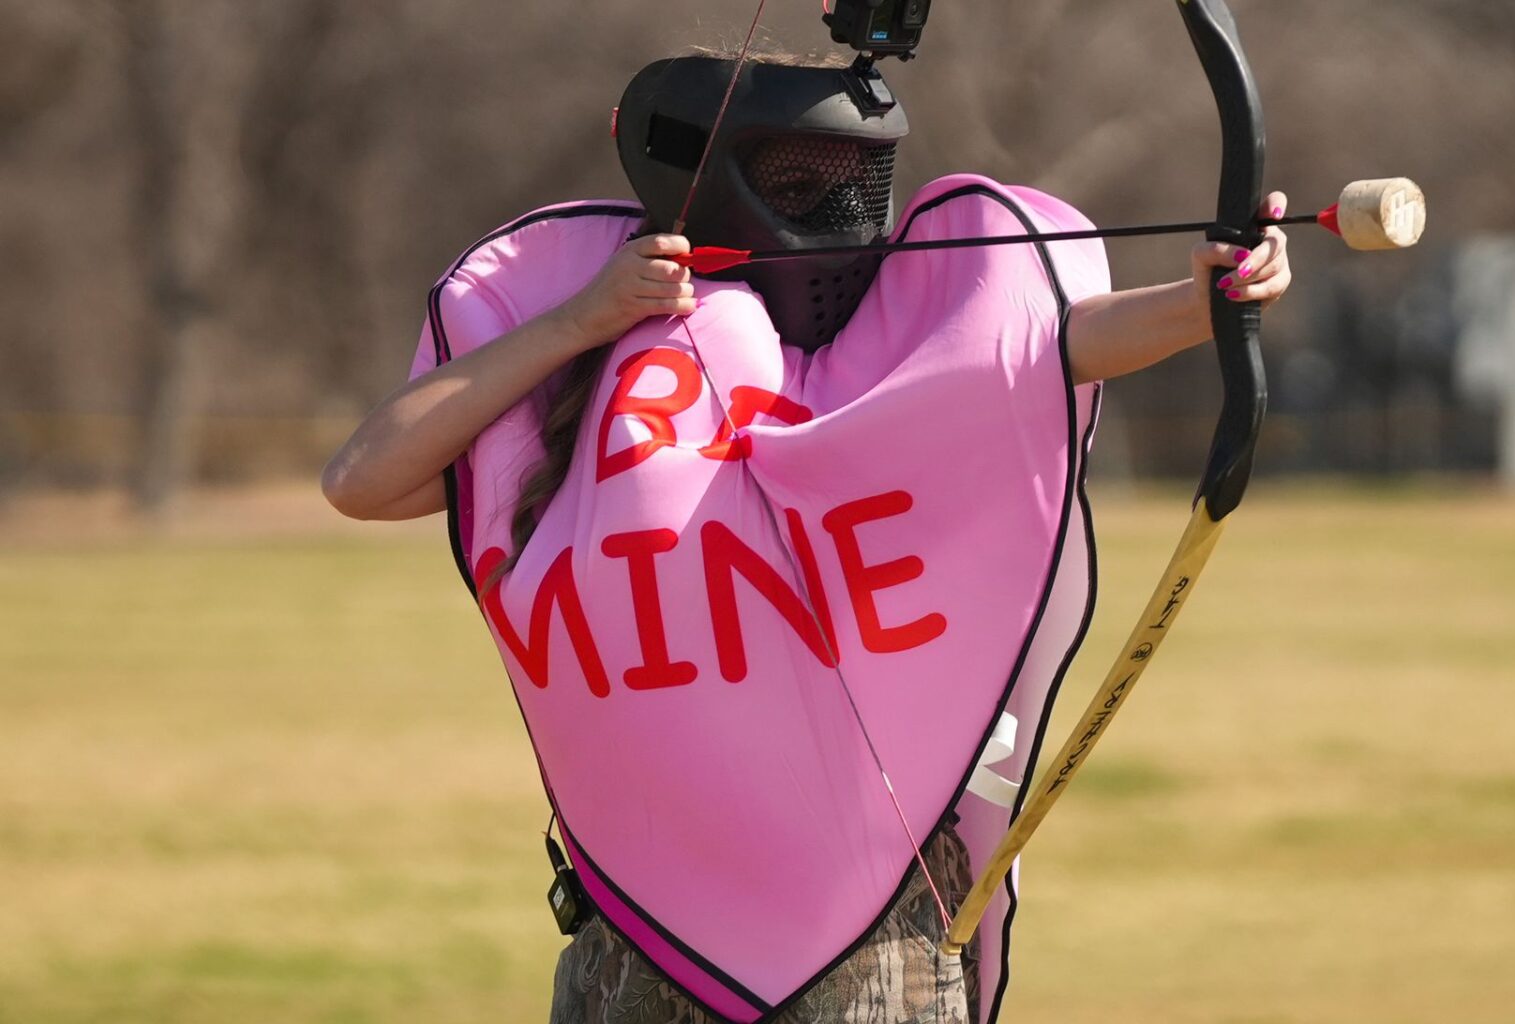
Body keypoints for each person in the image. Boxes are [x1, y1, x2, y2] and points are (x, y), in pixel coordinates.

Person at [322, 52, 1290, 1024]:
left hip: (871, 947)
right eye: (796, 184)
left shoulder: (898, 350)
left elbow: (1045, 347)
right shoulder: (596, 363)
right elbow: (363, 479)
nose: (838, 216)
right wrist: (585, 320)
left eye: (858, 182)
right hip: (632, 940)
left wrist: (1205, 300)